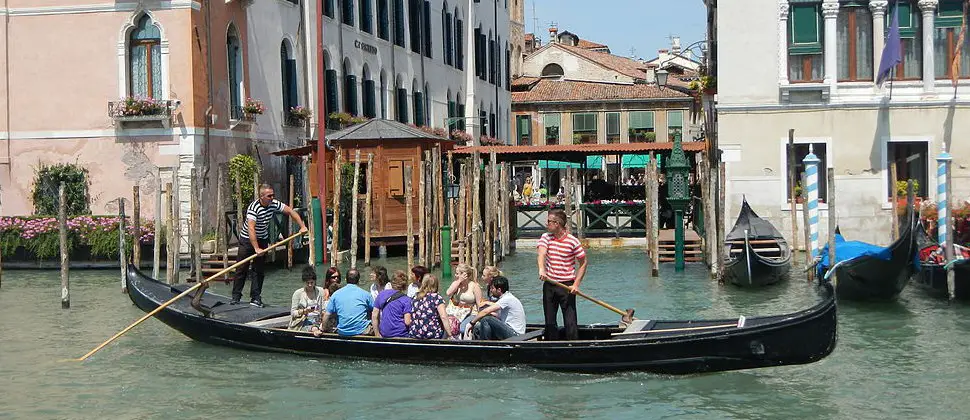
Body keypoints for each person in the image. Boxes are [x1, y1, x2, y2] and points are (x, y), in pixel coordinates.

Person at [231, 183, 308, 307]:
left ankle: (255, 298)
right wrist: (256, 248)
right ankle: (236, 297)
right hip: (247, 240)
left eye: (273, 195)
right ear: (262, 197)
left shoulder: (274, 204)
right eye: (269, 196)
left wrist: (302, 226)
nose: (272, 198)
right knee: (241, 268)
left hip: (262, 239)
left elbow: (290, 211)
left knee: (259, 269)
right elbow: (251, 228)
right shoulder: (253, 208)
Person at [537, 208, 588, 341]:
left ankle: (573, 347)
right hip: (550, 284)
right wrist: (541, 269)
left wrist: (576, 284)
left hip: (567, 286)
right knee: (550, 321)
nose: (546, 224)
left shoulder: (572, 241)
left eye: (549, 221)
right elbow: (541, 254)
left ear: (557, 224)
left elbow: (583, 262)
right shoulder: (546, 237)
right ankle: (551, 346)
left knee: (570, 321)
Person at [316, 268, 374, 336]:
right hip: (362, 331)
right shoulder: (366, 294)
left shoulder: (336, 294)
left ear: (346, 280)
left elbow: (327, 315)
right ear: (358, 280)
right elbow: (376, 312)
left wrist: (323, 329)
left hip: (343, 331)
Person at [469, 276, 526, 340]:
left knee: (486, 319)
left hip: (515, 334)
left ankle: (484, 346)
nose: (490, 290)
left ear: (499, 290)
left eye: (492, 288)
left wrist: (472, 323)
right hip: (511, 331)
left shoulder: (507, 299)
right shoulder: (507, 297)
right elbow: (500, 316)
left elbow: (485, 311)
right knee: (479, 327)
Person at [445, 263, 485, 339]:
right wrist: (459, 281)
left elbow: (479, 304)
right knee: (447, 325)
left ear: (465, 275)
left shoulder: (474, 286)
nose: (455, 276)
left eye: (457, 274)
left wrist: (478, 318)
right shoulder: (456, 284)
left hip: (471, 313)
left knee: (462, 329)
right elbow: (448, 293)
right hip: (457, 312)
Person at [408, 274, 452, 339]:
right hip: (432, 334)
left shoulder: (415, 297)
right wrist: (450, 334)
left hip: (415, 333)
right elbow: (443, 317)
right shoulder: (436, 298)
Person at [372, 270, 413, 338]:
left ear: (391, 283)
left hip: (384, 333)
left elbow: (374, 316)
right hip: (402, 334)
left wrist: (377, 334)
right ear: (405, 285)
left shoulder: (381, 294)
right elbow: (407, 322)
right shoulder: (407, 300)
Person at [289, 266, 328, 332]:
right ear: (304, 282)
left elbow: (323, 309)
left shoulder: (320, 291)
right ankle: (315, 331)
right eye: (308, 283)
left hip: (318, 320)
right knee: (314, 328)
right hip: (303, 321)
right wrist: (304, 311)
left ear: (315, 281)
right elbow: (293, 313)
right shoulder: (298, 293)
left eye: (312, 282)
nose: (310, 285)